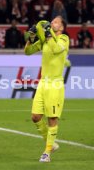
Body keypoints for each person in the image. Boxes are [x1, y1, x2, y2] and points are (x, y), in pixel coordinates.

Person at [24, 16, 70, 163]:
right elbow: (28, 51)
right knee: (35, 116)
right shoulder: (45, 40)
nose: (52, 23)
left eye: (56, 22)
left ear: (62, 27)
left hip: (55, 84)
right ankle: (52, 143)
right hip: (43, 83)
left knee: (52, 118)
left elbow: (56, 49)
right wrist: (31, 38)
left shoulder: (64, 39)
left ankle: (47, 152)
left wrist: (48, 34)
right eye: (52, 21)